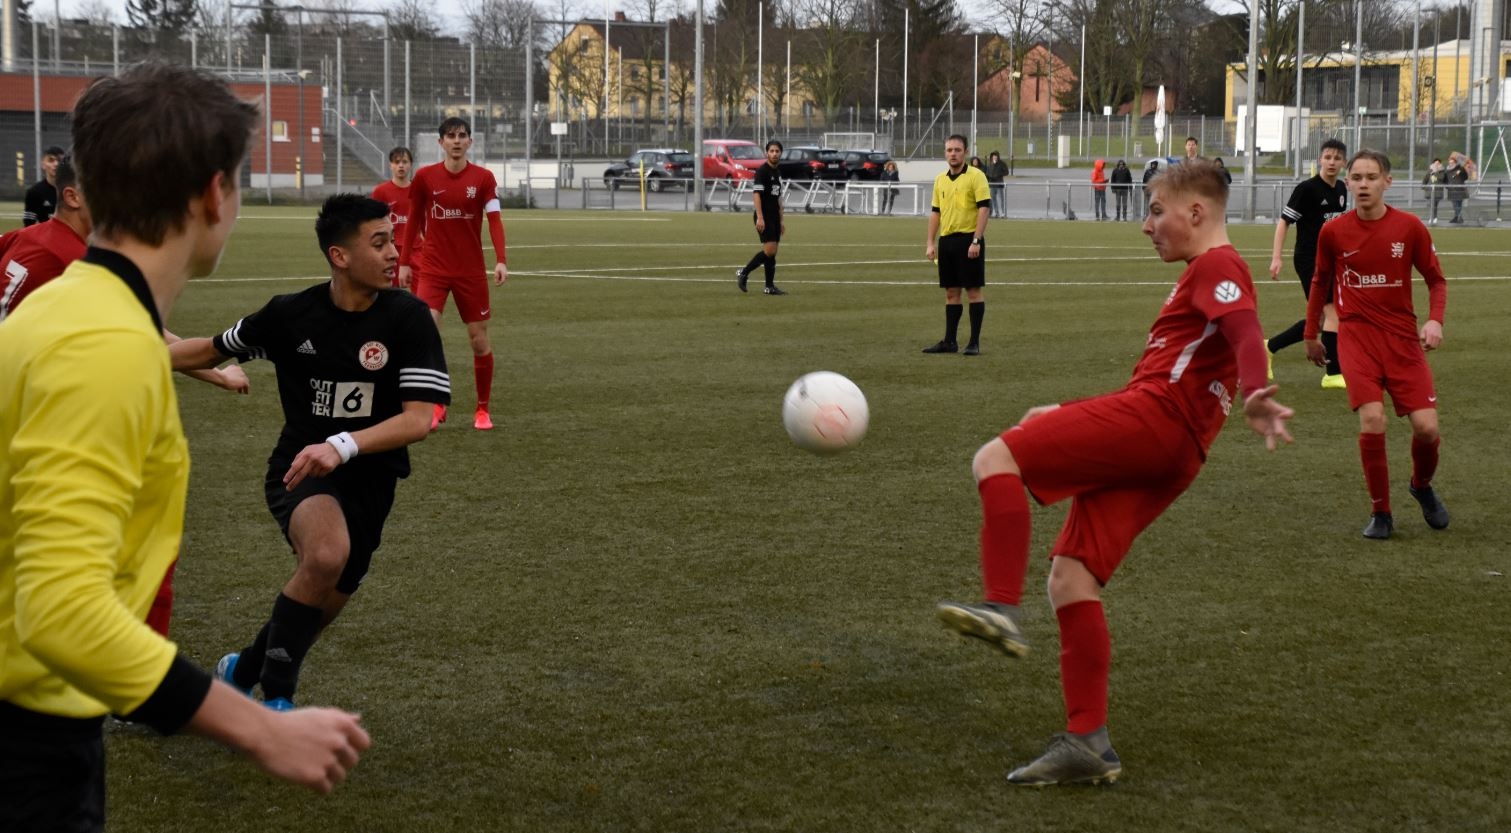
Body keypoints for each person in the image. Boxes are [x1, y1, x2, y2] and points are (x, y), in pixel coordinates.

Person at [0, 61, 369, 833]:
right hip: (26, 733)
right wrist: (258, 726)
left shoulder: (67, 308)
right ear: (212, 194)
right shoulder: (102, 344)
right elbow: (59, 611)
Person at [934, 159, 1293, 787]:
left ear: (1196, 213)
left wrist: (1258, 388)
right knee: (1071, 577)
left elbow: (1244, 332)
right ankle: (1088, 742)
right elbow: (1175, 371)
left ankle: (999, 605)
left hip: (1159, 424)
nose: (1146, 226)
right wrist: (1068, 411)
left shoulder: (1218, 265)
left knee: (994, 458)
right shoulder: (1206, 271)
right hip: (1173, 446)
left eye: (1155, 211)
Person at [171, 193, 450, 711]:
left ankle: (241, 670)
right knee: (324, 555)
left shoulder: (407, 318)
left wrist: (343, 445)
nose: (394, 253)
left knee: (321, 604)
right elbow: (209, 349)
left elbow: (418, 419)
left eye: (393, 241)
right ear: (339, 256)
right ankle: (277, 701)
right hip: (301, 469)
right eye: (380, 243)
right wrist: (128, 354)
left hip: (373, 480)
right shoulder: (289, 314)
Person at [1, 155, 249, 641]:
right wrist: (216, 373)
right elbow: (141, 337)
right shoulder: (69, 261)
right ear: (73, 196)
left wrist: (215, 371)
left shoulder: (25, 239)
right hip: (50, 417)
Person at [1305, 150, 1449, 541]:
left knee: (1427, 429)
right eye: (1357, 178)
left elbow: (1436, 280)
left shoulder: (1410, 227)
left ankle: (1421, 485)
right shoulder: (1333, 232)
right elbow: (1320, 281)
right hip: (1356, 339)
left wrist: (1435, 319)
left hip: (1402, 341)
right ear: (1347, 183)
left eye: (1372, 177)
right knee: (1372, 419)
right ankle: (1381, 512)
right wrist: (1310, 334)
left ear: (1388, 181)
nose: (1364, 184)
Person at [400, 117, 507, 432]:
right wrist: (404, 262)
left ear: (470, 142)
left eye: (462, 135)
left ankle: (482, 409)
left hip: (470, 271)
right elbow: (413, 219)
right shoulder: (425, 177)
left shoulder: (484, 178)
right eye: (450, 136)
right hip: (433, 269)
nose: (456, 140)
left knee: (478, 340)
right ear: (441, 142)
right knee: (426, 331)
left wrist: (501, 259)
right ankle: (436, 404)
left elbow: (495, 220)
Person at [1266, 137, 1349, 390]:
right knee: (1333, 312)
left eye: (1337, 158)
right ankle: (1333, 373)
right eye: (1327, 157)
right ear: (1320, 160)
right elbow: (1284, 222)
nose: (1332, 162)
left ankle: (1268, 347)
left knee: (1322, 320)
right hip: (1308, 259)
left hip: (1331, 260)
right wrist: (1276, 257)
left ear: (1344, 162)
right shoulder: (1307, 189)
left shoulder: (1342, 189)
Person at [923, 134, 991, 356]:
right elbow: (936, 212)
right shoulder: (940, 180)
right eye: (949, 150)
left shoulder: (976, 176)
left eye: (957, 150)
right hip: (947, 241)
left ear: (966, 152)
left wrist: (976, 240)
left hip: (969, 240)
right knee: (951, 292)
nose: (953, 154)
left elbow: (984, 208)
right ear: (945, 153)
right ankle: (949, 341)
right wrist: (930, 242)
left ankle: (974, 342)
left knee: (973, 290)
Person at [736, 139, 788, 295]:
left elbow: (779, 198)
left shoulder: (778, 172)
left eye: (777, 151)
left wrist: (781, 220)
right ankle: (744, 272)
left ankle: (769, 286)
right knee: (769, 250)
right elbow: (756, 194)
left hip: (774, 216)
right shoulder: (762, 171)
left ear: (781, 153)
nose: (774, 154)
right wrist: (760, 217)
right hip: (764, 215)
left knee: (772, 251)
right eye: (771, 151)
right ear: (767, 153)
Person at [372, 146, 421, 291]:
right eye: (397, 162)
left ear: (410, 164)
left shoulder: (419, 190)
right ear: (390, 165)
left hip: (415, 249)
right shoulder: (380, 191)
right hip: (390, 249)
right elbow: (374, 222)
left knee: (422, 294)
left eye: (404, 162)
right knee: (388, 294)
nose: (401, 165)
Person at [21, 145, 65, 226]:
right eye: (51, 160)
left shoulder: (74, 190)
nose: (56, 164)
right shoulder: (34, 192)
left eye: (59, 160)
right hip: (47, 234)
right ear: (43, 165)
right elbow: (28, 225)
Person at [1445, 151, 1472, 223]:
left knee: (1458, 204)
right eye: (1450, 162)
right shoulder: (1447, 171)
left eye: (1452, 162)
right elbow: (1445, 180)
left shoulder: (1460, 169)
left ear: (1455, 162)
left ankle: (1458, 217)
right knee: (1455, 205)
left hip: (1460, 190)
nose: (1451, 163)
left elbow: (1465, 177)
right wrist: (1447, 186)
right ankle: (1457, 217)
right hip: (1452, 190)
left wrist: (1462, 171)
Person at [985, 151, 1008, 218]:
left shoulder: (1002, 164)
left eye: (996, 156)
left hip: (999, 183)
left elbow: (1006, 172)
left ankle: (1003, 212)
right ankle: (996, 212)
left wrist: (999, 175)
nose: (994, 157)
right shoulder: (990, 164)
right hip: (992, 184)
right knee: (993, 199)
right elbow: (988, 173)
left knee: (1001, 199)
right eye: (993, 156)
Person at [1423, 158, 1445, 224]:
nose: (1436, 165)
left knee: (1435, 205)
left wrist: (1436, 172)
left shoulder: (1442, 172)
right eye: (1435, 163)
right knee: (1431, 205)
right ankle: (1432, 217)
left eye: (1438, 163)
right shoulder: (1430, 171)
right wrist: (1424, 187)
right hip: (1430, 191)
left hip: (1438, 192)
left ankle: (1434, 218)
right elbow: (1425, 179)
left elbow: (1441, 178)